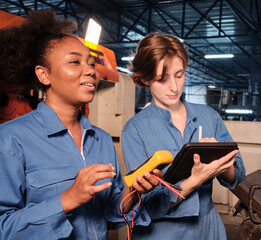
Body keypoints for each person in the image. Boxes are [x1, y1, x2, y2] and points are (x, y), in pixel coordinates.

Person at [0, 10, 162, 239]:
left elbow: (108, 214)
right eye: (75, 62)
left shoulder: (102, 139)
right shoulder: (10, 139)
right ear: (44, 75)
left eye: (91, 63)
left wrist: (132, 193)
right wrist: (68, 199)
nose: (90, 71)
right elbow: (3, 227)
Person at [121, 32, 246, 240]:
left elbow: (238, 177)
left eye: (179, 75)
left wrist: (224, 163)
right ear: (145, 78)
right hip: (163, 232)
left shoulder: (209, 116)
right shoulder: (135, 130)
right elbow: (147, 205)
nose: (174, 86)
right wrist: (195, 180)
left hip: (209, 228)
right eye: (163, 79)